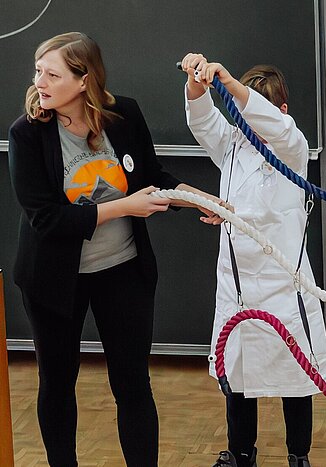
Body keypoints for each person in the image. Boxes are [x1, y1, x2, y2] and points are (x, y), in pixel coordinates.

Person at [7, 32, 221, 466]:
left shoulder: (123, 113)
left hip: (123, 272)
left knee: (133, 384)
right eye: (38, 72)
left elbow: (152, 175)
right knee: (57, 383)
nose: (39, 83)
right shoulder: (27, 134)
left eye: (52, 74)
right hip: (52, 281)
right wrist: (125, 205)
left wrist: (200, 198)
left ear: (83, 80)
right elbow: (47, 220)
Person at [179, 53, 326, 467]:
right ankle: (240, 453)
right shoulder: (233, 144)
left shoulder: (293, 147)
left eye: (258, 114)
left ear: (281, 110)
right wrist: (199, 82)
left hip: (284, 287)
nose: (251, 129)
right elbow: (202, 120)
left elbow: (274, 127)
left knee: (296, 375)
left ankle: (298, 455)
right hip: (238, 286)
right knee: (238, 372)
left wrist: (230, 83)